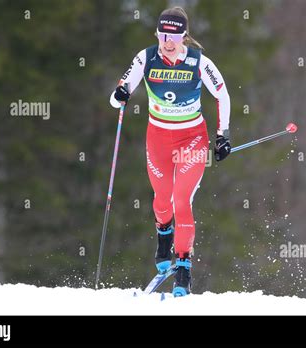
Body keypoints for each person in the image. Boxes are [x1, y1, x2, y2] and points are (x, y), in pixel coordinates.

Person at [110, 6, 231, 296]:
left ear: (184, 36)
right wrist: (121, 94)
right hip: (159, 139)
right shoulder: (146, 57)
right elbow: (116, 99)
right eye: (163, 34)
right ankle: (164, 235)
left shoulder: (199, 62)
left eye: (174, 36)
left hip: (192, 140)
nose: (168, 41)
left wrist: (222, 135)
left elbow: (222, 93)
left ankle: (184, 265)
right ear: (158, 33)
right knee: (162, 200)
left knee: (181, 199)